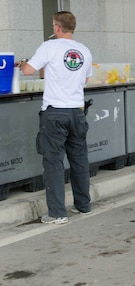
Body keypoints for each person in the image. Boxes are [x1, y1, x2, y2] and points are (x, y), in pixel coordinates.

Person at [19, 11, 93, 224]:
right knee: (79, 159)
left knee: (53, 162)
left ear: (57, 27)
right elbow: (85, 78)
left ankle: (57, 213)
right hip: (77, 112)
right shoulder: (84, 51)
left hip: (55, 113)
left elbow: (27, 71)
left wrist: (23, 62)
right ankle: (83, 205)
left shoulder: (49, 47)